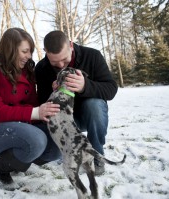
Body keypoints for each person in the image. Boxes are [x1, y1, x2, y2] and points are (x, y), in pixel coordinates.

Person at [0, 28, 61, 190]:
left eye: (30, 52)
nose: (29, 56)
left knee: (57, 142)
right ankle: (0, 168)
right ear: (10, 48)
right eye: (25, 51)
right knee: (37, 139)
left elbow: (32, 105)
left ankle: (17, 162)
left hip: (20, 125)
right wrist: (34, 112)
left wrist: (54, 95)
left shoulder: (27, 71)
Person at [35, 30, 118, 175]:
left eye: (64, 60)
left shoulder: (92, 56)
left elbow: (111, 89)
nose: (61, 65)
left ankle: (97, 155)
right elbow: (42, 103)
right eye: (54, 62)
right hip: (65, 119)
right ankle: (70, 152)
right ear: (45, 52)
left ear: (71, 45)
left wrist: (85, 86)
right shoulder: (41, 68)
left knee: (94, 105)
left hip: (90, 115)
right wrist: (53, 92)